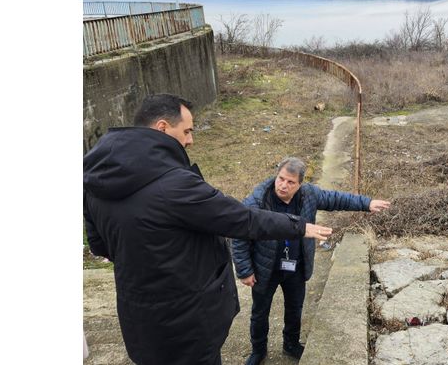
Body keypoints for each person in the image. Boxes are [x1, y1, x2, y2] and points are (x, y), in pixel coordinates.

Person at [83, 94, 333, 365]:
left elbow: (99, 245)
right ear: (163, 128)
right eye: (187, 131)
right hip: (187, 322)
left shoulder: (96, 179)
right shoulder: (175, 184)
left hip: (139, 319)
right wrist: (298, 226)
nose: (190, 140)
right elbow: (241, 219)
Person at [231, 157, 391, 365]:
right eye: (281, 179)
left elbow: (337, 199)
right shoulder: (258, 200)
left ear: (300, 184)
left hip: (296, 266)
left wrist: (367, 203)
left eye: (290, 182)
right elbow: (239, 234)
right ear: (276, 176)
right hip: (265, 268)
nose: (283, 185)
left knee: (295, 309)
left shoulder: (309, 195)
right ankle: (258, 350)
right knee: (260, 313)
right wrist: (244, 270)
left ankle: (291, 344)